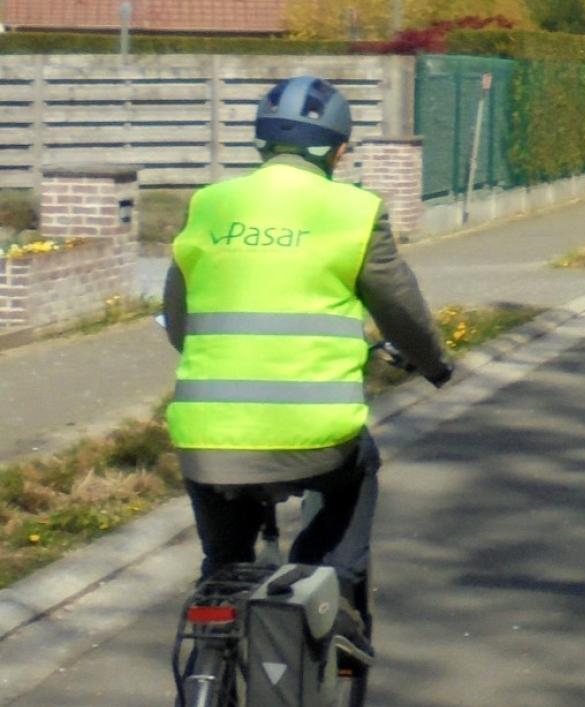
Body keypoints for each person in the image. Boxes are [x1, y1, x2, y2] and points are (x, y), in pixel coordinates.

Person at [163, 76, 453, 632]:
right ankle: (330, 595)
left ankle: (213, 642)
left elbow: (180, 322)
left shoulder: (209, 203)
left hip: (205, 435)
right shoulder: (355, 210)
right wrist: (435, 365)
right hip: (316, 437)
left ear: (261, 143)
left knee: (224, 566)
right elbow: (400, 310)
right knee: (358, 467)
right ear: (339, 150)